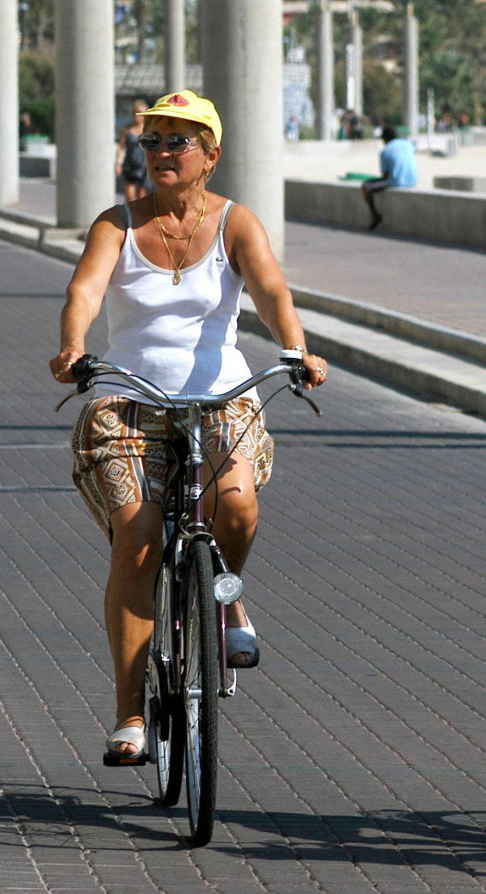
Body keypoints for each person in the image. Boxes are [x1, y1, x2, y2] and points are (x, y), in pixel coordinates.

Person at [49, 90, 328, 762]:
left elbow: (270, 289)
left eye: (177, 141)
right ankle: (130, 715)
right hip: (127, 400)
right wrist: (71, 345)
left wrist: (297, 349)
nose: (160, 153)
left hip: (220, 397)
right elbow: (84, 290)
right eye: (152, 142)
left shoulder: (235, 223)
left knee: (235, 504)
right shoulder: (116, 224)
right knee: (139, 542)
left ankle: (223, 596)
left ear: (211, 155)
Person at [361, 124, 418, 231]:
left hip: (397, 181)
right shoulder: (408, 144)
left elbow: (385, 175)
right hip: (413, 180)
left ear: (385, 139)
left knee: (366, 186)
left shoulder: (385, 151)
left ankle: (374, 215)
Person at [114, 99, 153, 202]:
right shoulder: (127, 130)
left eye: (139, 113)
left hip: (144, 164)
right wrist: (118, 163)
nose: (136, 116)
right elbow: (121, 147)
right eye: (134, 113)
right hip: (130, 164)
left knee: (142, 196)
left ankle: (141, 217)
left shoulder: (149, 130)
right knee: (130, 196)